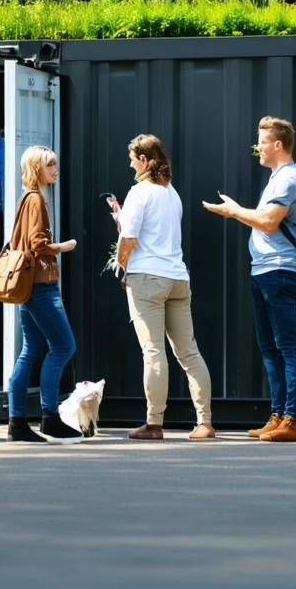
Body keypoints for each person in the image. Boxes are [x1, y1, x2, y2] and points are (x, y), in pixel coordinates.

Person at [202, 116, 296, 442]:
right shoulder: (277, 178)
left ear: (277, 144)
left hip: (280, 271)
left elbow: (268, 221)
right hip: (264, 270)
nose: (257, 147)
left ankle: (294, 420)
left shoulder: (289, 178)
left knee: (288, 346)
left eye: (261, 142)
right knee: (270, 347)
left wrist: (233, 211)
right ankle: (278, 415)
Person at [109, 134, 214, 441]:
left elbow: (129, 238)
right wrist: (121, 217)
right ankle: (205, 423)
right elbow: (148, 231)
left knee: (154, 351)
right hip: (177, 278)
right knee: (189, 352)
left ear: (143, 160)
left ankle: (154, 424)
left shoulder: (139, 192)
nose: (129, 163)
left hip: (147, 279)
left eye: (132, 157)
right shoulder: (172, 193)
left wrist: (121, 265)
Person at [6, 145, 84, 444]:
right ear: (38, 168)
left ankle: (17, 422)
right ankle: (49, 417)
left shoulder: (26, 198)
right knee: (64, 346)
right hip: (41, 286)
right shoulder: (36, 199)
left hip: (28, 287)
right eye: (50, 164)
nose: (55, 169)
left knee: (31, 351)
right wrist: (64, 246)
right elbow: (38, 243)